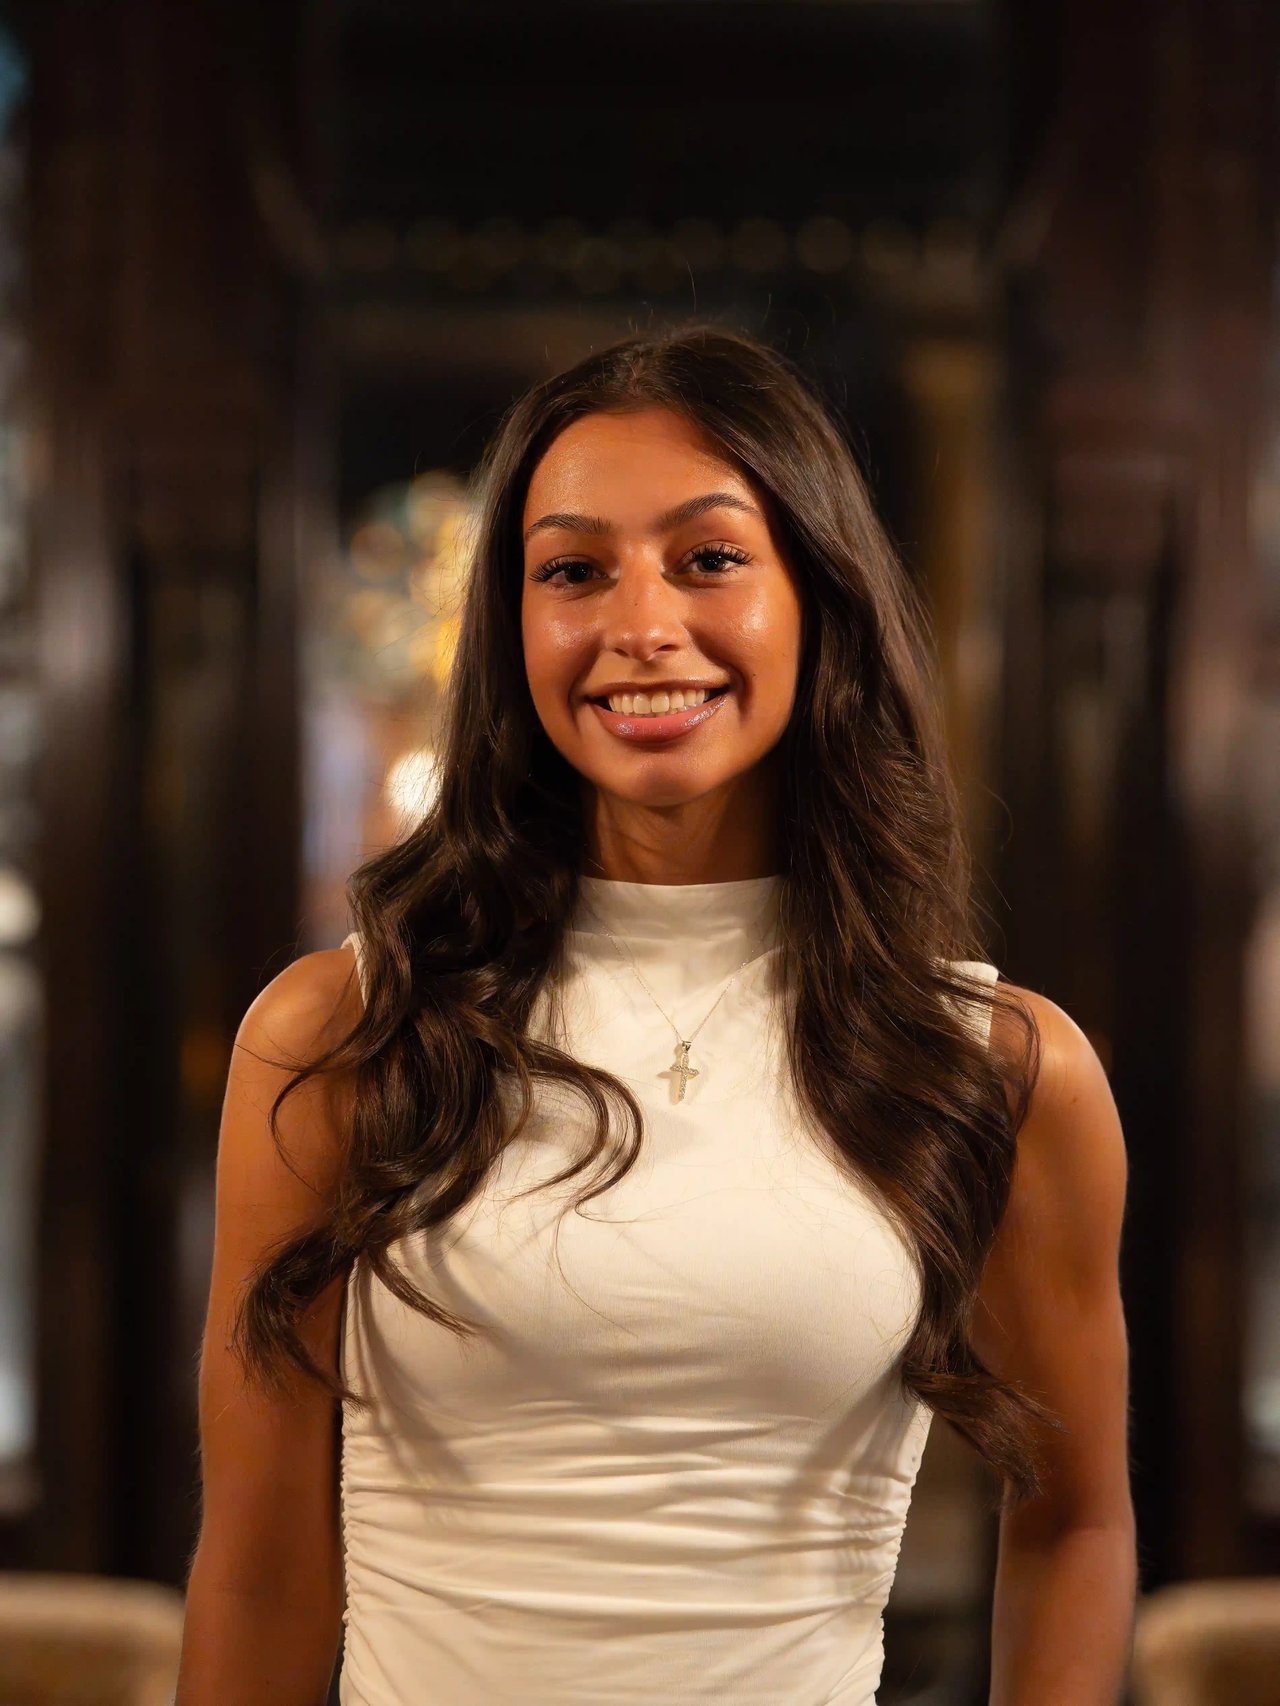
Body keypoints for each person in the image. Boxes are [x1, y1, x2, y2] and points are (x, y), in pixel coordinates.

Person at [175, 323, 1136, 1706]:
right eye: (574, 570)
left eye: (709, 558)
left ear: (820, 594)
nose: (641, 626)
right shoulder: (345, 1031)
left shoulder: (994, 1064)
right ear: (513, 624)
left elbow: (1078, 1522)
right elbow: (261, 1568)